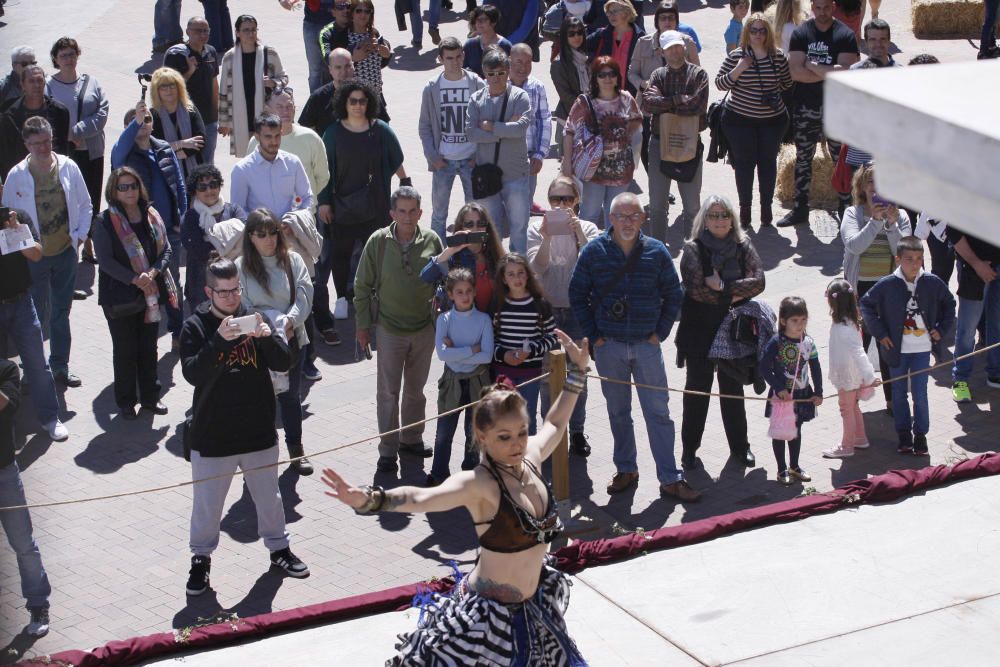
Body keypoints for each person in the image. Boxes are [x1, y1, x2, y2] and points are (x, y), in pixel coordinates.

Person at [320, 330, 590, 665]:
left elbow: (556, 422)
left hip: (534, 611)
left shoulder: (531, 457)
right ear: (482, 436)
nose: (517, 443)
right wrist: (372, 499)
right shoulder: (480, 484)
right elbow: (423, 498)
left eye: (521, 432)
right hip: (488, 624)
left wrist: (578, 373)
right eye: (504, 437)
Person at [180, 254, 309, 597]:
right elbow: (192, 372)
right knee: (207, 506)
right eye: (223, 292)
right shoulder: (195, 326)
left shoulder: (255, 319)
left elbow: (285, 360)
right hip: (212, 435)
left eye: (235, 290)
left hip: (258, 431)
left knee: (269, 498)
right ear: (209, 291)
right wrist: (219, 341)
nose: (231, 298)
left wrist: (267, 337)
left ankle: (279, 550)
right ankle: (201, 561)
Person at [569, 192, 700, 501]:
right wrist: (594, 335)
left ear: (643, 219)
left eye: (633, 216)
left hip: (646, 346)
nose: (627, 222)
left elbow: (674, 294)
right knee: (618, 412)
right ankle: (626, 468)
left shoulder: (656, 252)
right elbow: (577, 293)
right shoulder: (593, 252)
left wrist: (661, 332)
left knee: (658, 413)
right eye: (621, 216)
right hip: (609, 347)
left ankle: (670, 477)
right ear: (610, 219)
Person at [353, 187, 444, 474]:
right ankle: (388, 450)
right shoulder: (378, 242)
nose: (407, 217)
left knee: (416, 391)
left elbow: (444, 280)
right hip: (390, 330)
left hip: (423, 329)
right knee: (388, 393)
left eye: (412, 211)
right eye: (401, 211)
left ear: (420, 212)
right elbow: (362, 286)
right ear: (392, 213)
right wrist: (363, 327)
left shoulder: (432, 240)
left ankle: (411, 439)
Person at [2, 116, 92, 388]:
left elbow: (86, 204)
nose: (43, 147)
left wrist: (79, 236)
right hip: (35, 258)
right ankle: (34, 370)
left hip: (65, 252)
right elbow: (7, 219)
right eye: (37, 143)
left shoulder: (69, 167)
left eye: (48, 141)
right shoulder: (17, 176)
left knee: (60, 312)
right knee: (36, 316)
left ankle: (60, 366)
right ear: (26, 144)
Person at [675, 195, 764, 470]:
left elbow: (759, 281)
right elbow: (697, 290)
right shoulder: (692, 249)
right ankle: (689, 449)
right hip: (699, 329)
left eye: (724, 214)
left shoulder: (743, 244)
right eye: (713, 215)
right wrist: (734, 291)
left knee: (732, 390)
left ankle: (740, 448)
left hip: (733, 330)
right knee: (697, 392)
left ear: (732, 218)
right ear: (704, 219)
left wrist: (722, 287)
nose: (719, 220)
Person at [317, 81, 407, 332]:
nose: (358, 105)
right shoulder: (333, 133)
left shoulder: (381, 130)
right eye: (352, 101)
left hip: (376, 205)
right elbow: (325, 172)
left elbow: (396, 160)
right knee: (341, 254)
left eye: (362, 101)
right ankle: (343, 298)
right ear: (344, 103)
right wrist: (324, 202)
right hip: (342, 205)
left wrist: (401, 185)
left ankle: (375, 298)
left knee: (376, 253)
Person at [236, 209, 315, 475]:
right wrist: (267, 327)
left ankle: (296, 451)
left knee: (291, 398)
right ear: (251, 237)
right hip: (257, 345)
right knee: (260, 402)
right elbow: (242, 306)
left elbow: (304, 296)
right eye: (261, 234)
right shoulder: (241, 267)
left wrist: (289, 322)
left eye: (273, 233)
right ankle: (260, 458)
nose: (269, 239)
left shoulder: (293, 260)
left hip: (292, 341)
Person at [93, 167, 177, 419]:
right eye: (123, 187)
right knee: (125, 350)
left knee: (148, 348)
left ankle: (151, 398)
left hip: (149, 294)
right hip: (120, 297)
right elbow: (105, 261)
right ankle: (126, 402)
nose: (129, 191)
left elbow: (167, 250)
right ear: (114, 191)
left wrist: (151, 274)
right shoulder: (105, 221)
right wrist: (134, 279)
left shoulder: (151, 214)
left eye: (133, 185)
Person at [860, 236, 955, 455]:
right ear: (898, 259)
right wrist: (881, 333)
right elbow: (866, 304)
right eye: (909, 259)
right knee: (899, 392)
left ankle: (920, 435)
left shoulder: (931, 282)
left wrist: (941, 329)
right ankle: (904, 434)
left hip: (921, 350)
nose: (915, 263)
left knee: (920, 394)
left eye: (919, 258)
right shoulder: (888, 284)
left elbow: (949, 304)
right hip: (896, 351)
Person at [528, 175, 601, 455]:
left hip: (578, 311)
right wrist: (547, 237)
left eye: (567, 199)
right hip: (548, 312)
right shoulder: (537, 228)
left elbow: (593, 262)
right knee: (548, 376)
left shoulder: (589, 228)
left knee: (577, 375)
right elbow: (537, 267)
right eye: (555, 199)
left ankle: (577, 431)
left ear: (577, 200)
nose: (561, 204)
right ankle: (550, 431)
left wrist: (577, 234)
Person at [111, 101, 188, 350]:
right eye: (135, 122)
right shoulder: (125, 156)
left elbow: (179, 184)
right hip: (140, 232)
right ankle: (146, 334)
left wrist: (182, 218)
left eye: (146, 120)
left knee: (173, 282)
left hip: (170, 231)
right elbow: (117, 151)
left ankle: (178, 330)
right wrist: (135, 121)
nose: (143, 125)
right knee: (147, 284)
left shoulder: (164, 148)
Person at [778, 0, 859, 227]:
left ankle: (846, 207)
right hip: (806, 107)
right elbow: (795, 72)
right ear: (812, 7)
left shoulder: (845, 35)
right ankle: (800, 208)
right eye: (818, 8)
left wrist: (812, 66)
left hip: (836, 109)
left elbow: (845, 73)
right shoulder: (802, 33)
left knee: (840, 160)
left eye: (826, 8)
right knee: (803, 159)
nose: (822, 13)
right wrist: (827, 71)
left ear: (833, 7)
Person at [840, 163, 910, 410]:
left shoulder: (901, 217)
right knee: (857, 348)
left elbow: (905, 254)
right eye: (870, 181)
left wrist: (890, 225)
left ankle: (893, 402)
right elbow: (854, 245)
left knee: (888, 348)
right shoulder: (852, 214)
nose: (876, 187)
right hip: (859, 292)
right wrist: (875, 222)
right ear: (861, 186)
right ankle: (854, 402)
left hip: (888, 292)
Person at [715, 13, 792, 229]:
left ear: (768, 33)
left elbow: (786, 83)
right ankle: (745, 209)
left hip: (771, 122)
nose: (758, 35)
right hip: (740, 122)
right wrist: (740, 68)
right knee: (744, 165)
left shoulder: (777, 57)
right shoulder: (737, 55)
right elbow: (720, 83)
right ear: (747, 32)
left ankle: (766, 208)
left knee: (767, 164)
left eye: (762, 30)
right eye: (754, 30)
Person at [0, 211, 69, 441]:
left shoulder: (17, 217)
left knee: (37, 364)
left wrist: (15, 230)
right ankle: (7, 426)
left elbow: (37, 254)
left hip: (21, 303)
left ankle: (50, 418)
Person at [426, 267, 494, 486]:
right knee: (444, 432)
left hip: (477, 383)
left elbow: (487, 356)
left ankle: (471, 472)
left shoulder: (483, 320)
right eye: (459, 292)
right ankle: (439, 472)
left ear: (474, 293)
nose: (464, 296)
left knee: (473, 432)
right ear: (450, 294)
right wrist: (471, 350)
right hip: (452, 382)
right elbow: (443, 355)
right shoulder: (444, 320)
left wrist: (457, 351)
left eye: (468, 291)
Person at [0, 359, 53, 638]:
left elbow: (3, 402)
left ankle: (38, 604)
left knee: (23, 544)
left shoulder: (7, 370)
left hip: (4, 473)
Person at [45, 38, 109, 266]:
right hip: (64, 154)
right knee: (68, 199)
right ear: (55, 59)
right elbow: (47, 117)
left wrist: (78, 131)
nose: (69, 59)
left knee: (91, 196)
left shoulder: (92, 82)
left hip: (91, 151)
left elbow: (103, 112)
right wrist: (66, 136)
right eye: (63, 55)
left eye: (72, 54)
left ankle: (90, 244)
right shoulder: (48, 87)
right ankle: (69, 245)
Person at [641, 31, 709, 240]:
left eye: (678, 46)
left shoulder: (699, 74)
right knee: (658, 205)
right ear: (662, 51)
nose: (675, 50)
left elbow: (697, 106)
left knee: (692, 205)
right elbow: (648, 103)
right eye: (670, 48)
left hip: (689, 144)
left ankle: (694, 253)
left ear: (685, 46)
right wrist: (679, 99)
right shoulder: (658, 75)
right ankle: (658, 250)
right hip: (659, 144)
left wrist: (667, 104)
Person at [562, 56, 641, 229]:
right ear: (595, 78)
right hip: (593, 170)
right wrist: (566, 164)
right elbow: (569, 131)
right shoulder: (585, 102)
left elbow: (637, 121)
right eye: (602, 75)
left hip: (621, 169)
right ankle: (586, 252)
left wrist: (625, 141)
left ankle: (611, 254)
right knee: (589, 216)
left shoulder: (626, 98)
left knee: (615, 217)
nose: (607, 79)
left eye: (612, 74)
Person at [419, 37, 485, 240]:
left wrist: (480, 156)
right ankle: (437, 255)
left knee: (476, 214)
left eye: (458, 57)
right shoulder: (432, 88)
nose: (455, 62)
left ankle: (475, 251)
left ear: (463, 55)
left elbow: (487, 122)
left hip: (471, 160)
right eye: (449, 58)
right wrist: (433, 157)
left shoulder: (477, 83)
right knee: (439, 214)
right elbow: (425, 125)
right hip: (443, 161)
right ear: (440, 59)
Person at [467, 48, 532, 254]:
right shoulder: (476, 99)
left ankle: (519, 270)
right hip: (488, 176)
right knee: (491, 230)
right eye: (491, 74)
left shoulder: (520, 96)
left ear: (508, 71)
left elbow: (521, 128)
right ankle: (495, 270)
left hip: (516, 175)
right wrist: (504, 129)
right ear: (484, 74)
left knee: (519, 228)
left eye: (501, 73)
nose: (496, 78)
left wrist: (491, 126)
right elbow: (471, 133)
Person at [492, 253, 559, 435]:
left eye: (520, 273)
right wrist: (504, 354)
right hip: (504, 372)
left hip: (531, 373)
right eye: (511, 274)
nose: (517, 278)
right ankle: (507, 462)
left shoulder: (539, 304)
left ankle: (529, 460)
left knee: (527, 417)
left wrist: (532, 351)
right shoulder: (498, 304)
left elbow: (554, 336)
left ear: (527, 275)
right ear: (504, 279)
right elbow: (491, 340)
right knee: (505, 417)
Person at [628, 1, 700, 173]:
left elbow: (698, 75)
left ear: (676, 21)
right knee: (647, 148)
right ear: (657, 21)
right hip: (648, 106)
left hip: (677, 106)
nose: (667, 22)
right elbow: (632, 73)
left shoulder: (687, 43)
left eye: (671, 18)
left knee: (676, 147)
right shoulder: (643, 43)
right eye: (663, 18)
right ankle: (658, 186)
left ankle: (674, 178)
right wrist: (643, 84)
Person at [760, 296, 823, 484]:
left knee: (796, 429)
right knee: (780, 431)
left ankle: (794, 466)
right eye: (795, 320)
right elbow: (764, 367)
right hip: (783, 396)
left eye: (803, 320)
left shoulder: (809, 342)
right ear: (783, 321)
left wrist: (818, 391)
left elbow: (815, 367)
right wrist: (778, 388)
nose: (800, 324)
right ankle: (781, 469)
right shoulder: (776, 343)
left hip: (802, 394)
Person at [835, 18, 899, 190]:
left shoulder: (901, 73)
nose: (878, 44)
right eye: (873, 39)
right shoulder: (854, 72)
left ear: (889, 41)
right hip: (860, 156)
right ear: (865, 42)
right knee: (860, 207)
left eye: (882, 39)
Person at [822, 278, 878, 459]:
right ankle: (860, 438)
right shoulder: (849, 323)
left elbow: (859, 352)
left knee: (846, 408)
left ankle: (847, 446)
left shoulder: (843, 328)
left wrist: (870, 377)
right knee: (853, 407)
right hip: (850, 373)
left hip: (847, 375)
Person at [218, 14, 287, 158]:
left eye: (253, 30)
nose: (251, 34)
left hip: (265, 115)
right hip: (240, 117)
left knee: (268, 155)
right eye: (246, 30)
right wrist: (224, 121)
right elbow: (223, 91)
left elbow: (284, 78)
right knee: (247, 158)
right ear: (237, 32)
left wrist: (273, 82)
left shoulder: (270, 54)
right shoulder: (229, 58)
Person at [181, 164, 247, 310]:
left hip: (235, 282)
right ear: (195, 192)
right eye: (202, 187)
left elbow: (246, 236)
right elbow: (199, 250)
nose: (209, 190)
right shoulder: (190, 218)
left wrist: (211, 239)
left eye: (213, 184)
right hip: (201, 285)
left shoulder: (234, 210)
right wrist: (232, 240)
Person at [420, 202, 506, 316]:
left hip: (490, 326)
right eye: (469, 224)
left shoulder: (494, 256)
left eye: (481, 223)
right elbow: (425, 277)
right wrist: (449, 250)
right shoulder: (454, 258)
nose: (475, 229)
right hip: (460, 327)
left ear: (487, 227)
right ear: (461, 227)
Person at [947, 226, 1000, 403]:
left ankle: (996, 373)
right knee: (967, 329)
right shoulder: (966, 197)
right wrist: (977, 264)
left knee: (998, 324)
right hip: (972, 266)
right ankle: (960, 379)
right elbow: (953, 232)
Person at [231, 114, 314, 217]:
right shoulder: (241, 170)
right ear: (257, 137)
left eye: (277, 136)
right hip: (258, 231)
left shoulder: (293, 162)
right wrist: (262, 228)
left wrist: (294, 222)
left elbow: (306, 197)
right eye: (268, 136)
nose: (274, 141)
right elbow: (238, 210)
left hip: (290, 230)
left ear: (281, 134)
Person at [164, 17, 221, 164]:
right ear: (188, 32)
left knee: (207, 162)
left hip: (208, 120)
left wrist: (219, 115)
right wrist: (189, 71)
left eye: (206, 31)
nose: (203, 34)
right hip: (185, 119)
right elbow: (168, 88)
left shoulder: (211, 51)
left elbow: (214, 84)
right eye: (198, 31)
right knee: (188, 162)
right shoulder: (176, 55)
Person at [0, 65, 70, 179]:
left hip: (53, 177)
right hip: (22, 179)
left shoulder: (60, 112)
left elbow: (64, 149)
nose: (36, 85)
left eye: (40, 80)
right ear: (23, 85)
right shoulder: (9, 117)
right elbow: (5, 157)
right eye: (31, 81)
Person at [509, 44, 551, 210]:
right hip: (503, 157)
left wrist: (540, 154)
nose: (523, 67)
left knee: (524, 205)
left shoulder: (537, 87)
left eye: (528, 63)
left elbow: (544, 120)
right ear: (509, 61)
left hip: (529, 156)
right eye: (519, 62)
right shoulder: (496, 84)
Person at [150, 66, 207, 180]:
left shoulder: (190, 109)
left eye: (172, 85)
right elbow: (156, 147)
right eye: (163, 87)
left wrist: (177, 151)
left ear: (179, 87)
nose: (169, 90)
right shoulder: (153, 116)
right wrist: (182, 143)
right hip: (167, 175)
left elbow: (201, 141)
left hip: (195, 173)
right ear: (157, 91)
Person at [344, 0, 393, 120]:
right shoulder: (346, 35)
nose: (363, 14)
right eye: (359, 11)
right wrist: (359, 48)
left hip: (375, 94)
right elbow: (344, 60)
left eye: (367, 11)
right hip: (355, 97)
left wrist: (379, 47)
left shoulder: (374, 34)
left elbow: (387, 54)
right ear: (352, 13)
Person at [585, 0, 646, 94]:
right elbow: (580, 46)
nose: (611, 15)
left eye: (615, 11)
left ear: (626, 12)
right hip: (605, 94)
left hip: (631, 95)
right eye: (609, 12)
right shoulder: (602, 34)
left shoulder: (640, 38)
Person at [550, 17, 590, 161]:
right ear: (564, 36)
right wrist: (589, 111)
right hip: (570, 121)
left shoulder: (588, 58)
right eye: (571, 34)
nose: (576, 37)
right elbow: (566, 97)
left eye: (579, 32)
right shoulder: (558, 63)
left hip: (592, 121)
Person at [298, 48, 356, 140]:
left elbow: (381, 125)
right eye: (338, 67)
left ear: (353, 66)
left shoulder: (367, 93)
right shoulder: (318, 97)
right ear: (330, 70)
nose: (344, 72)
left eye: (348, 66)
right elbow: (306, 130)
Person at [463, 5, 514, 77]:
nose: (479, 22)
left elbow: (511, 72)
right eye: (477, 19)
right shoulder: (470, 45)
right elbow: (462, 69)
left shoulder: (505, 46)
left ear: (493, 22)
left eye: (483, 19)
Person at [0, 46, 36, 110]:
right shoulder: (4, 87)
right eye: (24, 64)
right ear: (13, 66)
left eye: (33, 63)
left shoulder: (42, 83)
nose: (30, 67)